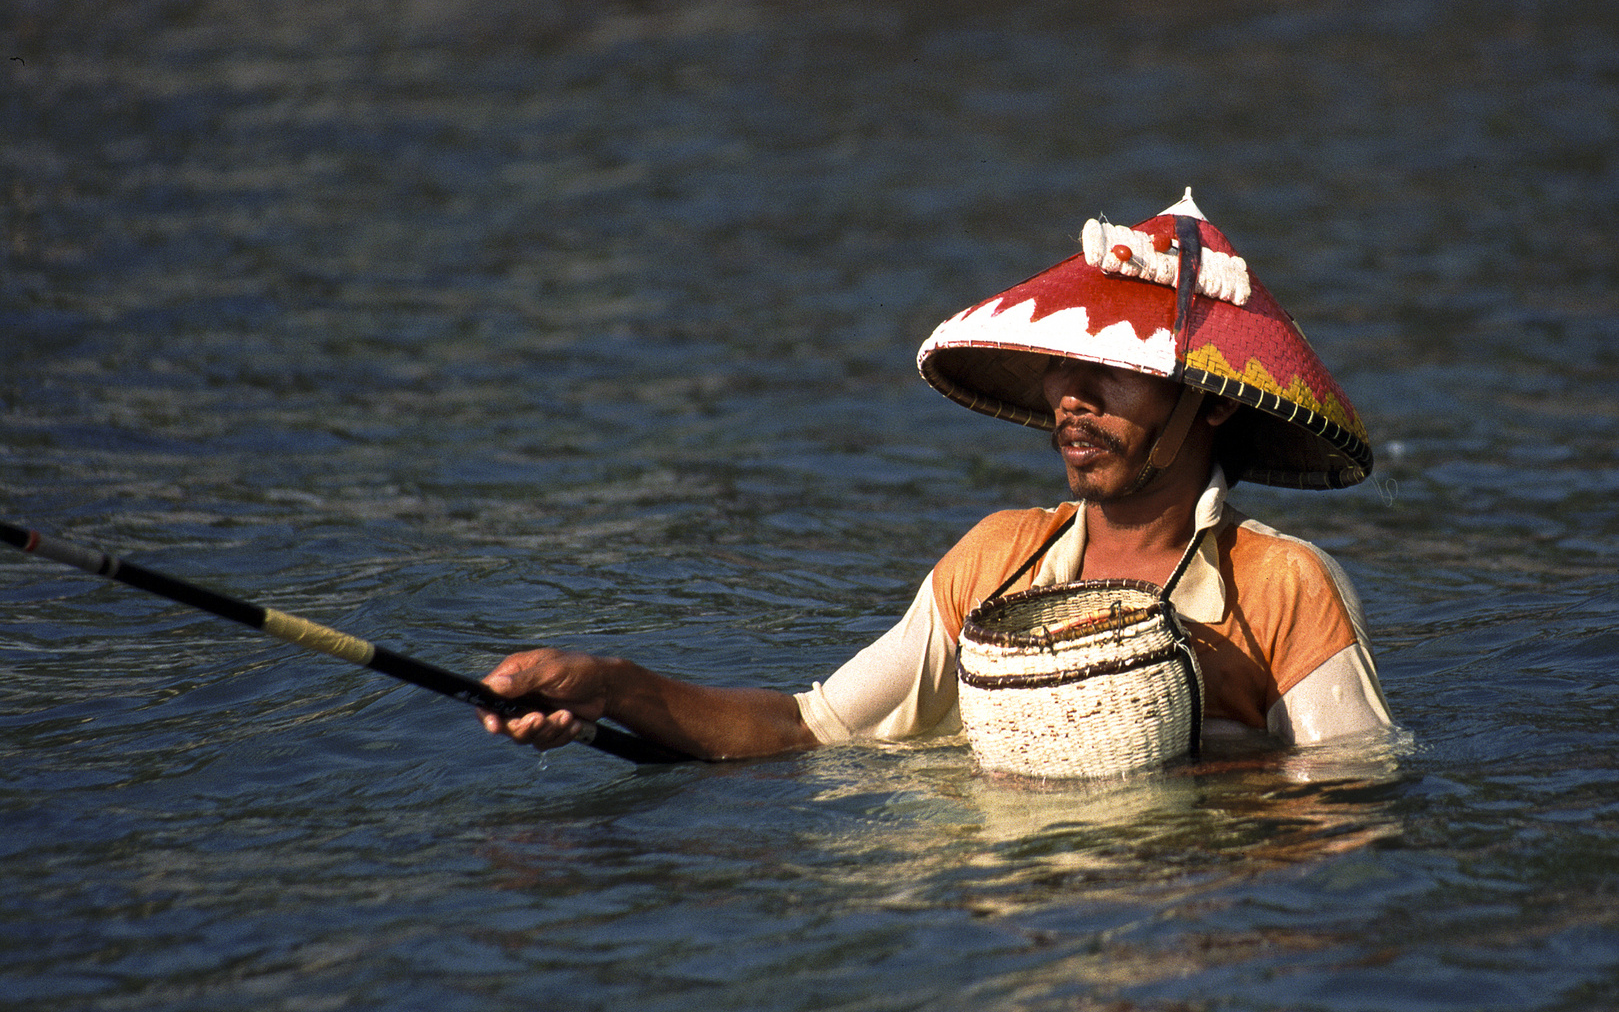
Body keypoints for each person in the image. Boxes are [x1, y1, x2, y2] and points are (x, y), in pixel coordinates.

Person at [478, 190, 1395, 763]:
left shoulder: (1284, 585)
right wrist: (610, 686)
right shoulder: (992, 562)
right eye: (1056, 370)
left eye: (1106, 374)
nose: (1069, 401)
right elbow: (809, 730)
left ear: (1215, 403)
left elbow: (1349, 810)